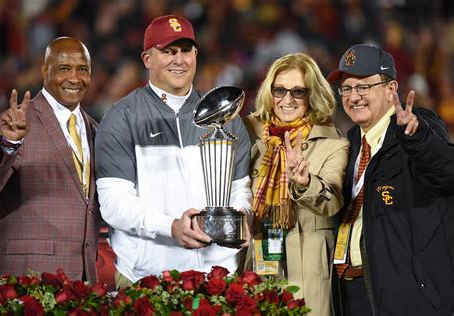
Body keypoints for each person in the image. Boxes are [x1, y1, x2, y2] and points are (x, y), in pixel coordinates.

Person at [94, 15, 252, 288]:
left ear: (196, 55)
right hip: (147, 278)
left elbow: (240, 188)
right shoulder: (122, 117)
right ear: (147, 59)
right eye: (168, 51)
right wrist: (171, 227)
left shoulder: (225, 115)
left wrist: (239, 218)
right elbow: (114, 203)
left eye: (186, 50)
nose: (179, 60)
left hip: (217, 277)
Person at [328, 44, 454, 315]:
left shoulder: (416, 129)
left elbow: (447, 173)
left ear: (390, 89)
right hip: (352, 293)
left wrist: (418, 138)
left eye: (364, 87)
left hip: (406, 297)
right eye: (347, 89)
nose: (354, 97)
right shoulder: (350, 144)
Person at [0, 37, 102, 282]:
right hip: (26, 276)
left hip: (82, 280)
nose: (75, 78)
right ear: (45, 70)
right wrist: (9, 144)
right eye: (65, 68)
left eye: (83, 70)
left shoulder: (96, 129)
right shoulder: (16, 122)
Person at [244, 53, 349, 315]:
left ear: (312, 95)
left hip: (309, 274)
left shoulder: (335, 145)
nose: (287, 99)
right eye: (280, 90)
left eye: (298, 92)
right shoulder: (249, 138)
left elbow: (333, 200)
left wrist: (304, 183)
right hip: (259, 267)